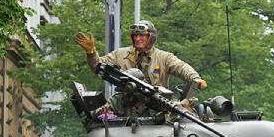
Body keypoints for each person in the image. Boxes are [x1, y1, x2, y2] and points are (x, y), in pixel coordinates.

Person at [74, 20, 207, 91]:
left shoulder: (163, 57)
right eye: (135, 35)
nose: (138, 39)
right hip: (126, 105)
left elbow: (181, 67)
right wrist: (91, 53)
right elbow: (98, 67)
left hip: (157, 108)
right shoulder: (121, 54)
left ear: (151, 37)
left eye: (142, 35)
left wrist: (196, 79)